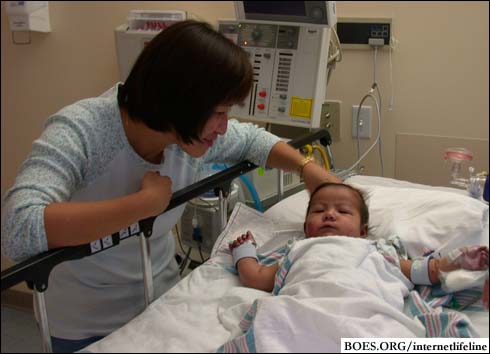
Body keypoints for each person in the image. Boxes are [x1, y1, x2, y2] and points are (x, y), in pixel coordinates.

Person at [1, 20, 340, 353]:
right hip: (87, 325)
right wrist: (143, 205)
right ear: (181, 100)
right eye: (219, 113)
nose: (224, 128)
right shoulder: (83, 131)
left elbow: (252, 140)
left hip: (162, 301)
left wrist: (306, 168)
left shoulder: (185, 135)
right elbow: (18, 229)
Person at [229, 182, 489, 293]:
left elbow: (424, 271)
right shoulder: (297, 250)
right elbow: (256, 277)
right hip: (304, 304)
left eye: (342, 211)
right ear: (307, 229)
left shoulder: (378, 249)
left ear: (362, 231)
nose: (329, 215)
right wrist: (244, 252)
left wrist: (457, 259)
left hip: (365, 307)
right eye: (319, 210)